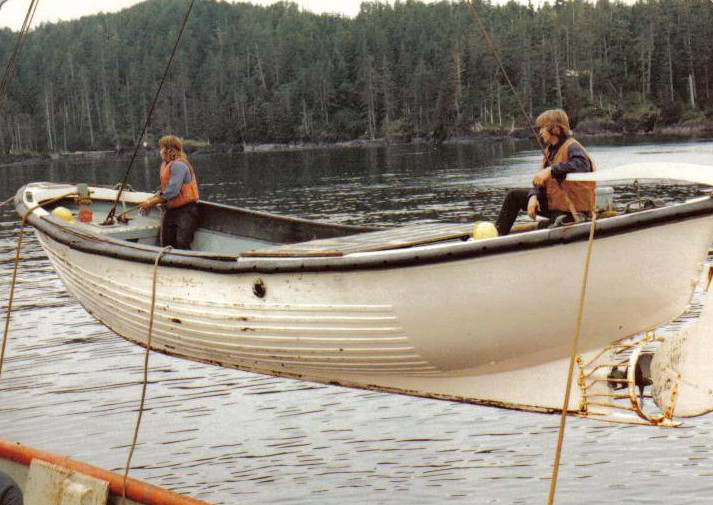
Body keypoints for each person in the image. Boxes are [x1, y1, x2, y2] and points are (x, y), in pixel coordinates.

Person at [494, 109, 595, 236]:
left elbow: (582, 165)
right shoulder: (550, 151)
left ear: (555, 129)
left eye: (543, 128)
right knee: (513, 196)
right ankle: (497, 235)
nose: (540, 132)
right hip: (556, 206)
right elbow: (540, 182)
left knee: (546, 226)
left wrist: (551, 170)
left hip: (574, 211)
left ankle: (548, 225)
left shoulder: (572, 146)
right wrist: (533, 196)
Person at [140, 135, 200, 249]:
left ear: (170, 150)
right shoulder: (165, 165)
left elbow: (173, 191)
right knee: (166, 243)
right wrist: (151, 199)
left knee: (182, 242)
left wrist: (151, 203)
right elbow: (165, 190)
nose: (160, 151)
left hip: (187, 211)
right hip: (172, 210)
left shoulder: (179, 165)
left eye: (161, 148)